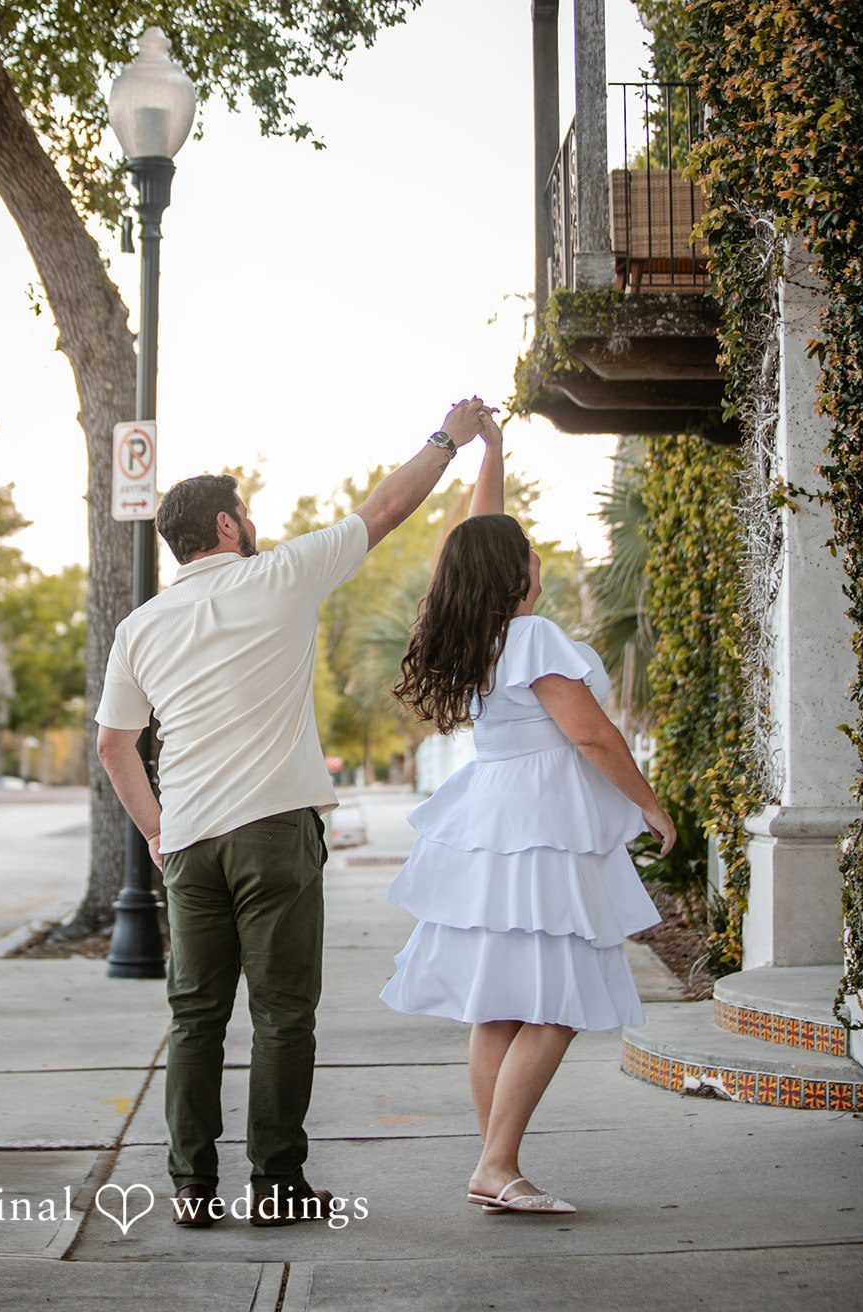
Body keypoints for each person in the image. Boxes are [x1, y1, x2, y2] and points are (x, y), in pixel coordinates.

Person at [94, 396, 491, 1228]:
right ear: (230, 527)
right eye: (248, 513)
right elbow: (386, 508)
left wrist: (160, 833)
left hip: (191, 844)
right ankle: (276, 1187)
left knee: (194, 1018)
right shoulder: (279, 575)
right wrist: (447, 438)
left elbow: (114, 748)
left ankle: (191, 1191)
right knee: (282, 1017)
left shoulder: (138, 627)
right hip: (274, 834)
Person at [380, 408, 676, 1216]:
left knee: (505, 1004)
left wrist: (493, 451)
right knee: (557, 1000)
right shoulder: (534, 634)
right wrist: (648, 803)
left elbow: (473, 535)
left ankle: (495, 1165)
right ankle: (497, 1161)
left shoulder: (468, 635)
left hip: (495, 820)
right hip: (541, 825)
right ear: (518, 573)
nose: (536, 557)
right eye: (527, 553)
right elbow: (591, 735)